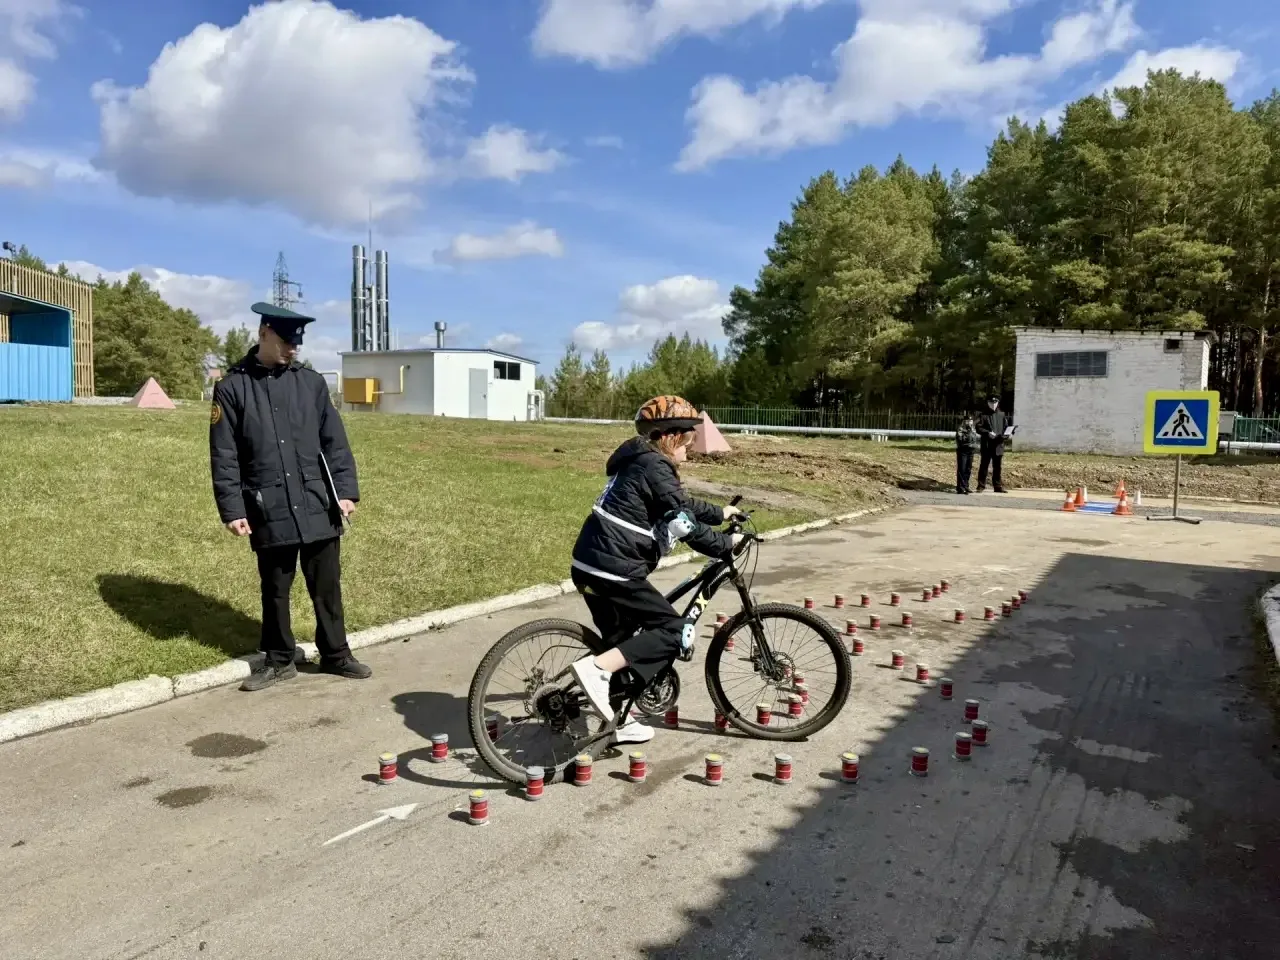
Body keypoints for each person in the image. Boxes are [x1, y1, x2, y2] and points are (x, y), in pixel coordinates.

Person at [209, 302, 372, 692]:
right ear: (264, 332)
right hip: (268, 505)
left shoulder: (311, 384)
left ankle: (336, 654)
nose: (293, 348)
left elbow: (335, 443)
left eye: (297, 342)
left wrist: (345, 492)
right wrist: (232, 509)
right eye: (285, 340)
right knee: (275, 589)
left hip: (317, 500)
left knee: (327, 585)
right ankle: (279, 660)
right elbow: (224, 455)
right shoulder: (232, 388)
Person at [567, 396, 746, 744]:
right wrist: (725, 544)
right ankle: (596, 670)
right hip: (614, 568)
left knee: (621, 643)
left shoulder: (642, 461)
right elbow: (682, 523)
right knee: (674, 631)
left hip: (590, 563)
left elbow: (681, 503)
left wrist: (720, 513)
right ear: (668, 436)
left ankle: (616, 721)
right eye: (688, 438)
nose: (690, 446)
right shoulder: (655, 465)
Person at [976, 395, 1009, 493]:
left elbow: (1006, 428)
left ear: (998, 403)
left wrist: (1007, 435)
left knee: (997, 467)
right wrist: (987, 433)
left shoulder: (1002, 415)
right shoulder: (983, 415)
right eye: (991, 403)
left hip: (998, 445)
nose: (993, 404)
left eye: (995, 403)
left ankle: (997, 486)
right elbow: (978, 428)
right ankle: (981, 486)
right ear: (988, 403)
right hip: (987, 444)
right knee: (984, 466)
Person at [954, 414, 979, 494]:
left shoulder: (973, 429)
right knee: (962, 469)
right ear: (964, 421)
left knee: (968, 469)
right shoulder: (961, 429)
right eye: (968, 421)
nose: (969, 422)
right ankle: (961, 487)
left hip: (971, 451)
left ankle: (966, 486)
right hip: (963, 451)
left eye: (971, 421)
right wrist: (968, 432)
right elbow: (961, 439)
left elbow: (974, 439)